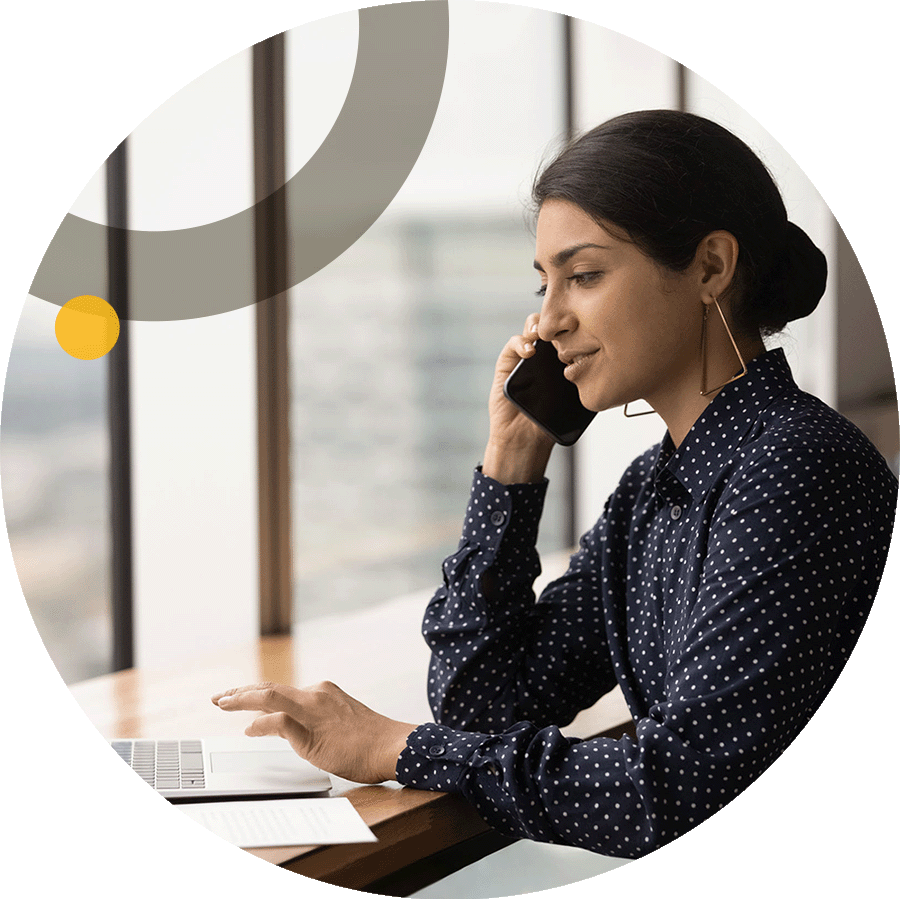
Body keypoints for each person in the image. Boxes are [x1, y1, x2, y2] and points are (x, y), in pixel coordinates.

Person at [212, 110, 897, 858]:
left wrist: (400, 747)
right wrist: (512, 454)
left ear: (709, 268)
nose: (548, 322)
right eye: (545, 283)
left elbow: (678, 791)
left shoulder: (796, 466)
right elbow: (484, 700)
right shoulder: (653, 489)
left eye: (585, 275)